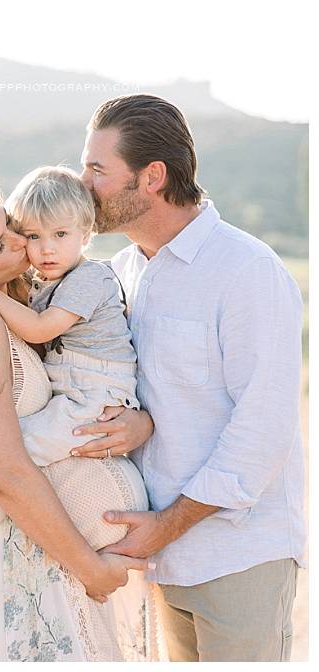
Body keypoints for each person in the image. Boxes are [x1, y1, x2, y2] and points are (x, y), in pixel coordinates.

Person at [0, 176, 165, 661]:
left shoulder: (33, 300)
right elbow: (4, 471)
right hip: (37, 559)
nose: (26, 243)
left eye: (14, 226)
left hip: (54, 554)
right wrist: (90, 568)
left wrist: (137, 424)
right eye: (4, 244)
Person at [79, 94, 306, 662]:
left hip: (237, 556)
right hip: (158, 562)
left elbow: (265, 427)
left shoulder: (246, 271)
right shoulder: (120, 274)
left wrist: (166, 525)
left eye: (97, 170)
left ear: (152, 177)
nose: (82, 184)